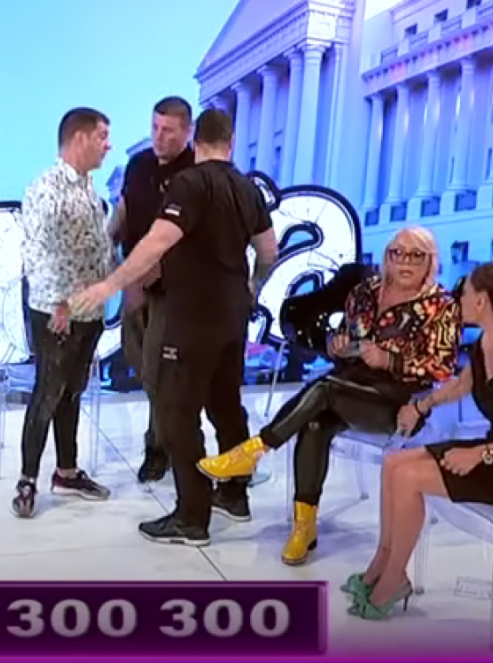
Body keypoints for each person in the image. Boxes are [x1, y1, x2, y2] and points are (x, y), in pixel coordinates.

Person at [70, 109, 278, 546]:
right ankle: (235, 495)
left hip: (192, 315)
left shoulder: (190, 183)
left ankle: (191, 516)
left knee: (178, 412)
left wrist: (111, 284)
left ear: (196, 140)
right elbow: (268, 251)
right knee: (226, 406)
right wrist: (254, 286)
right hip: (232, 316)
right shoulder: (247, 188)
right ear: (231, 142)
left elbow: (158, 241)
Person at [197, 227, 460, 566]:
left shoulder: (442, 306)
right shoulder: (366, 291)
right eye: (398, 253)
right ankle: (304, 526)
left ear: (430, 262)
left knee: (325, 389)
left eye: (416, 255)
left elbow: (442, 367)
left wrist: (390, 360)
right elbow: (346, 335)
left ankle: (254, 450)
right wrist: (337, 344)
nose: (405, 262)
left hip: (399, 401)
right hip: (350, 385)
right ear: (387, 257)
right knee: (315, 424)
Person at [343, 260, 493, 620]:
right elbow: (462, 386)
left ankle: (394, 579)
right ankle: (382, 563)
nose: (457, 301)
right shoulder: (488, 341)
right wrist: (421, 406)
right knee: (393, 463)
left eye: (463, 294)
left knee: (408, 477)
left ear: (482, 300)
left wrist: (480, 454)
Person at [12, 107, 114, 518]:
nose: (108, 145)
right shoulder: (46, 187)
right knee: (48, 393)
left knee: (72, 391)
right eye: (102, 136)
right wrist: (60, 302)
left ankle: (67, 472)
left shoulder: (89, 188)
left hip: (89, 313)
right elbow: (38, 251)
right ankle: (27, 480)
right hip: (58, 313)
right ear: (79, 138)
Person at [110, 96, 195, 484]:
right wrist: (107, 241)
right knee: (144, 368)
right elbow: (125, 210)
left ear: (187, 132)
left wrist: (144, 278)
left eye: (168, 131)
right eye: (155, 128)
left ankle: (159, 448)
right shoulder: (139, 164)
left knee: (158, 371)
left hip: (171, 289)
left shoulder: (194, 173)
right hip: (134, 284)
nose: (159, 137)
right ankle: (168, 435)